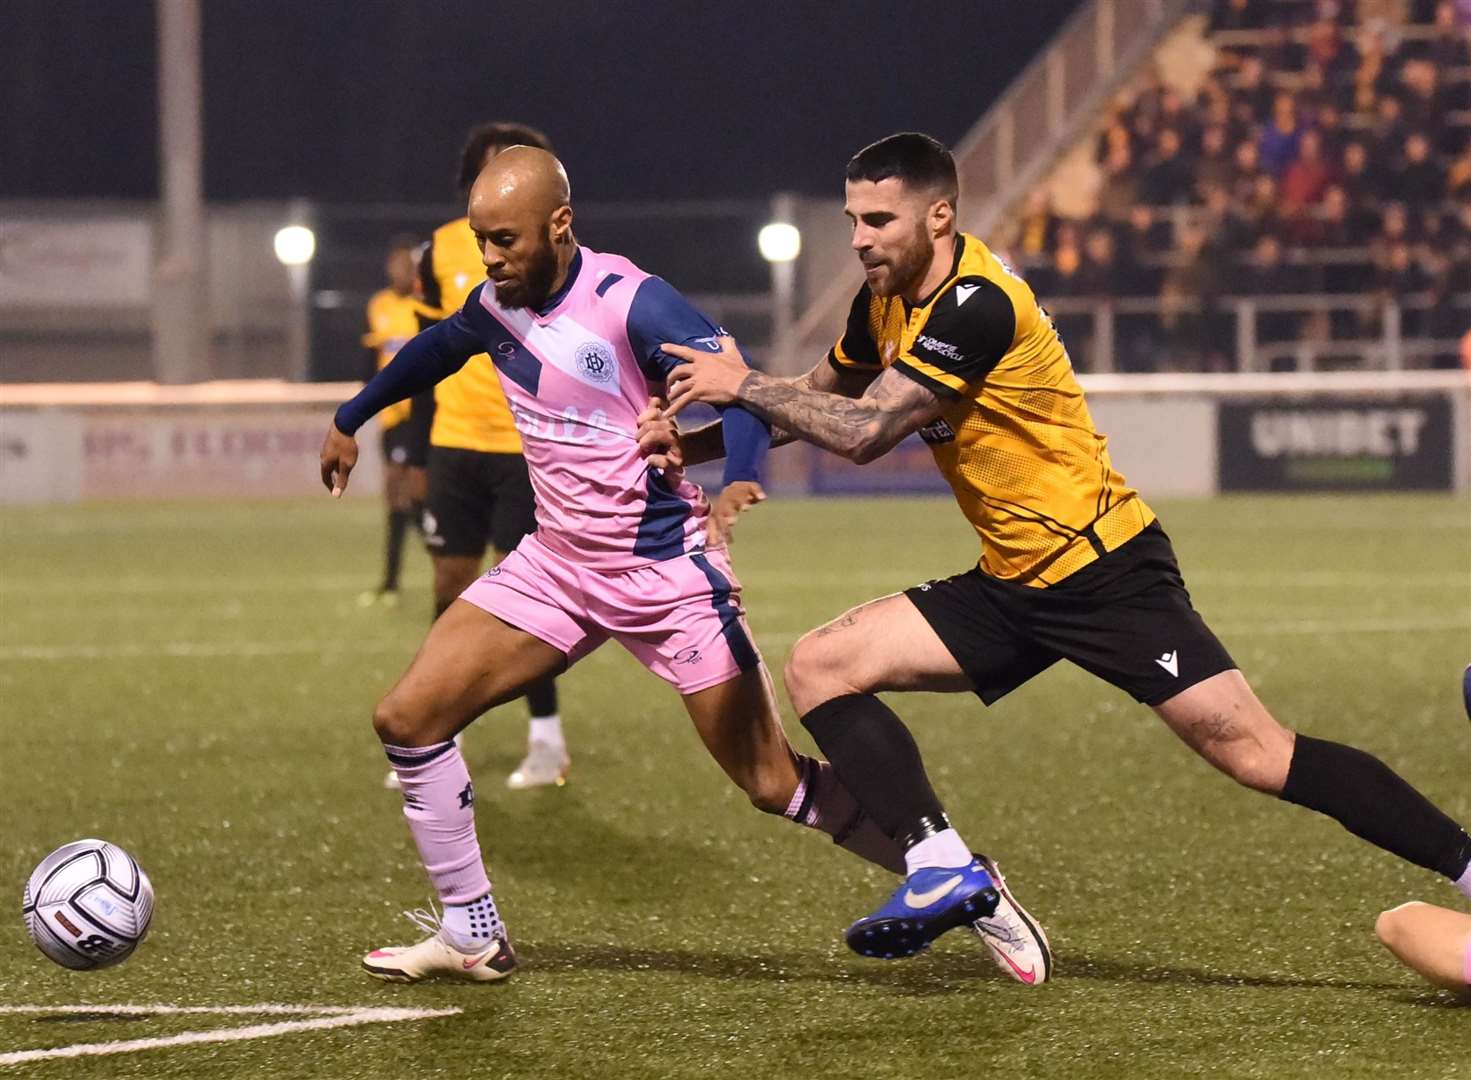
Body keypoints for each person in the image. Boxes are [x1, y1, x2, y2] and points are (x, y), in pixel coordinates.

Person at [651, 131, 1471, 973]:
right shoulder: (882, 301)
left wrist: (740, 382)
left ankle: (1468, 865)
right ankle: (942, 867)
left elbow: (861, 433)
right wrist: (693, 444)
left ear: (939, 216)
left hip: (1104, 570)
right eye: (853, 218)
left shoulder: (977, 302)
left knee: (1258, 754)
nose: (859, 237)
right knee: (821, 666)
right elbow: (816, 400)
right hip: (1013, 584)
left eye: (878, 219)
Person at [319, 146, 933, 984]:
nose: (490, 258)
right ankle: (472, 931)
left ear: (560, 225)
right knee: (408, 720)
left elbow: (741, 390)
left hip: (664, 577)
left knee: (768, 781)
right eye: (480, 240)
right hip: (558, 568)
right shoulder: (495, 302)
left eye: (504, 239)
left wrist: (743, 476)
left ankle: (949, 874)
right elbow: (438, 347)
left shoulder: (632, 302)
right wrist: (352, 414)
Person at [404, 122, 570, 791]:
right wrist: (413, 453)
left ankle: (547, 738)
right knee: (449, 587)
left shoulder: (548, 248)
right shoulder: (438, 252)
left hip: (524, 447)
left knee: (526, 597)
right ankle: (441, 728)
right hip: (453, 444)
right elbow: (423, 356)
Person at [358, 234, 430, 609]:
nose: (399, 271)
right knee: (398, 495)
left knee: (408, 491)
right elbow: (372, 363)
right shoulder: (379, 305)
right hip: (391, 414)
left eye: (406, 264)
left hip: (419, 412)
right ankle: (392, 580)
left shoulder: (425, 305)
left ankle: (437, 554)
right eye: (394, 264)